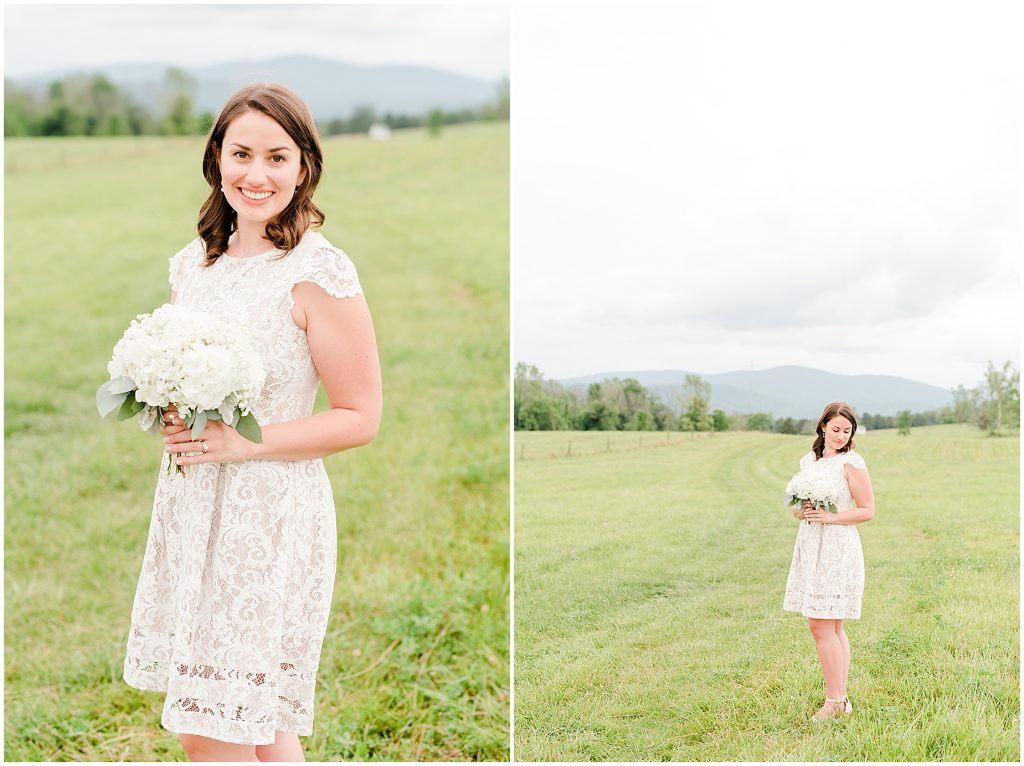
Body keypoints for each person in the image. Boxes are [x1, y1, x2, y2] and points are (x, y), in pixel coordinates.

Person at [121, 83, 383, 762]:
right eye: (241, 153)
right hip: (190, 504)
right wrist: (169, 409)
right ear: (216, 157)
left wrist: (243, 443)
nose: (256, 175)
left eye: (277, 157)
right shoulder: (193, 264)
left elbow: (360, 416)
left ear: (304, 168)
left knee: (215, 732)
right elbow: (185, 384)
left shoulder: (317, 271)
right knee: (260, 730)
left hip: (267, 518)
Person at [782, 401, 874, 722]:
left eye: (847, 431)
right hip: (811, 545)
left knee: (821, 625)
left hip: (837, 547)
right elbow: (797, 508)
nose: (840, 436)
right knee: (832, 625)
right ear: (823, 427)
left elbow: (867, 509)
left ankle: (834, 701)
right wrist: (804, 510)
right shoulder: (809, 461)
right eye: (835, 429)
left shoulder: (852, 463)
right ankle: (841, 700)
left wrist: (830, 517)